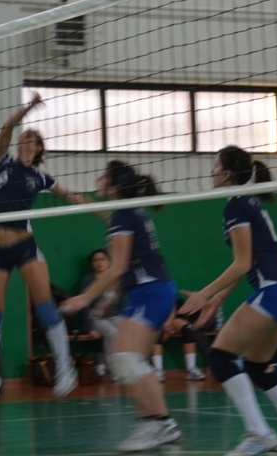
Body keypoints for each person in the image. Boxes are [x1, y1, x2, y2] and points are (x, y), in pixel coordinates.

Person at [179, 145, 277, 456]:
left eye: (215, 166)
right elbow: (248, 260)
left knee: (220, 358)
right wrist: (219, 298)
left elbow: (242, 263)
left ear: (228, 173)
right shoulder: (248, 201)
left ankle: (259, 433)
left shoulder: (236, 206)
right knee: (257, 363)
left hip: (274, 289)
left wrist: (204, 293)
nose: (211, 171)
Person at [0, 93, 90, 408]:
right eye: (23, 136)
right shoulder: (1, 161)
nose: (23, 139)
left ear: (39, 147)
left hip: (23, 244)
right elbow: (5, 129)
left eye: (30, 137)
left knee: (44, 305)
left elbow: (69, 195)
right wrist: (27, 109)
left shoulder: (40, 177)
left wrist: (102, 213)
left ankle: (65, 368)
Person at [61, 161, 181, 453]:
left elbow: (118, 267)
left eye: (104, 176)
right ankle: (159, 423)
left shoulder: (124, 216)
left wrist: (84, 298)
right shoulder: (124, 213)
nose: (98, 179)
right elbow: (100, 215)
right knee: (127, 360)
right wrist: (110, 298)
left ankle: (158, 422)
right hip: (146, 292)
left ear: (115, 186)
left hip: (152, 292)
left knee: (126, 358)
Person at [79, 249, 123, 378]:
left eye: (102, 259)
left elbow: (124, 301)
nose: (99, 263)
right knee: (113, 333)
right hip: (96, 318)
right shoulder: (87, 280)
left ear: (109, 262)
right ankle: (113, 368)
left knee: (128, 330)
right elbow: (84, 305)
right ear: (91, 264)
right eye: (95, 260)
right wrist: (90, 328)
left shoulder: (116, 279)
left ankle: (120, 363)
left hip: (115, 315)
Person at [152, 298, 214, 382]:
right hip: (154, 319)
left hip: (171, 319)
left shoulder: (169, 292)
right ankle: (158, 370)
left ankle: (191, 369)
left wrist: (169, 323)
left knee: (188, 329)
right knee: (157, 331)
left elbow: (173, 306)